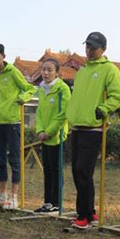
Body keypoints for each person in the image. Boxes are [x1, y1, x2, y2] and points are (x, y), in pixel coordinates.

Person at [66, 32, 120, 229]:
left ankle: (84, 216)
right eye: (87, 46)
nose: (89, 50)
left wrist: (103, 109)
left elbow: (117, 97)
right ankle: (89, 211)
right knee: (76, 171)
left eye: (94, 47)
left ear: (104, 49)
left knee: (84, 171)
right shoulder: (81, 72)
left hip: (94, 128)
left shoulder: (110, 70)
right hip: (76, 126)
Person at [0, 43, 37, 210]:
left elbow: (29, 88)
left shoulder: (13, 72)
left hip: (13, 122)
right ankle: (3, 196)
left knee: (14, 159)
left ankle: (14, 197)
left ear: (3, 56)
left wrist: (21, 98)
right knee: (0, 160)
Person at [34, 59, 71, 213]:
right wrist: (40, 130)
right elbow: (40, 112)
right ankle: (47, 201)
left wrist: (49, 131)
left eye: (49, 70)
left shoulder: (63, 89)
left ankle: (56, 202)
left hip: (57, 137)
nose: (46, 73)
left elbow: (63, 114)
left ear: (57, 72)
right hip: (45, 137)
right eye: (43, 70)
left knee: (56, 171)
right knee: (47, 170)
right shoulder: (42, 89)